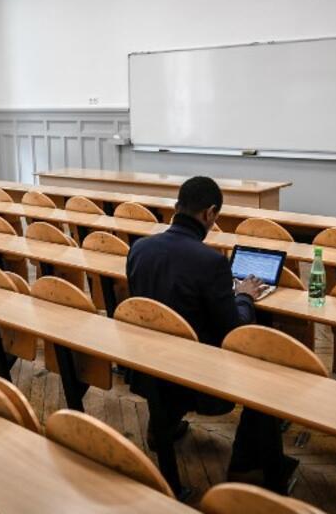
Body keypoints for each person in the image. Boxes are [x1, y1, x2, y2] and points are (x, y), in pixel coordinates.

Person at [126, 175, 297, 495]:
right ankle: (250, 470)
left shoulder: (139, 248)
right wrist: (244, 296)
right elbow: (234, 330)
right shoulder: (211, 263)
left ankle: (160, 426)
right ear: (210, 214)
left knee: (172, 339)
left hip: (150, 367)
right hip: (199, 380)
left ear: (177, 207)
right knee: (266, 370)